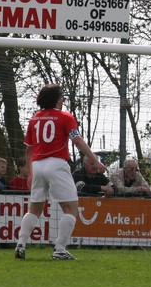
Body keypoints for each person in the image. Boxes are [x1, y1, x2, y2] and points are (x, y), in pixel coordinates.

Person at [14, 83, 105, 261]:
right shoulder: (65, 117)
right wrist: (95, 160)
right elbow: (77, 140)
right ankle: (60, 249)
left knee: (34, 209)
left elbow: (29, 150)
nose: (63, 100)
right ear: (57, 100)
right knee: (71, 208)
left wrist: (31, 173)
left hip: (37, 165)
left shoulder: (35, 119)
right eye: (61, 97)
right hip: (56, 164)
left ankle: (20, 244)